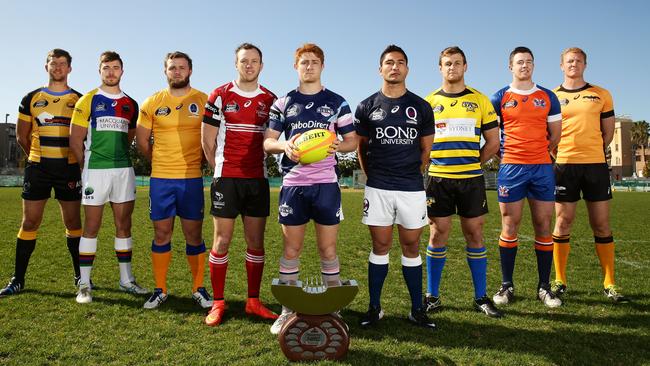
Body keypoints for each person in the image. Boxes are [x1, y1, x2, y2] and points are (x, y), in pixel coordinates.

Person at [263, 43, 357, 334]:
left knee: (328, 249)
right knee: (292, 248)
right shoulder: (283, 103)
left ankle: (333, 307)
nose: (309, 66)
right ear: (296, 67)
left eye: (314, 62)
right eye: (304, 62)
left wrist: (337, 145)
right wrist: (284, 145)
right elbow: (267, 142)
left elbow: (352, 140)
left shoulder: (338, 101)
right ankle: (287, 310)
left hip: (326, 185)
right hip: (293, 185)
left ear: (322, 66)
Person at [356, 45, 436, 329]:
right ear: (380, 69)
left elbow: (426, 150)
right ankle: (374, 308)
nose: (395, 67)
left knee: (412, 245)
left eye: (400, 62)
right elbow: (361, 149)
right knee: (380, 245)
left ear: (407, 69)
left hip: (411, 188)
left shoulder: (422, 107)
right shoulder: (367, 106)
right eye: (389, 62)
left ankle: (417, 309)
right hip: (378, 187)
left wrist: (413, 174)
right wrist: (372, 177)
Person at [201, 43, 278, 325]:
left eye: (254, 61)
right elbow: (207, 141)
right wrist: (220, 170)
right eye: (244, 61)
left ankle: (253, 302)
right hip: (227, 179)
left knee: (256, 242)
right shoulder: (220, 95)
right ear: (236, 64)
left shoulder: (271, 99)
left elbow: (273, 139)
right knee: (221, 241)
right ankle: (218, 303)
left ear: (261, 65)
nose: (249, 65)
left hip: (257, 180)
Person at [423, 46, 501, 317]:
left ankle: (481, 297)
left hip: (471, 180)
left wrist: (472, 164)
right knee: (437, 233)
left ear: (465, 66)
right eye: (447, 63)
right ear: (440, 68)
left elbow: (493, 142)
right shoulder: (429, 101)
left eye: (457, 63)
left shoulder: (480, 100)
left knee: (475, 234)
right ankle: (432, 296)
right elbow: (422, 144)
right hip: (438, 179)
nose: (452, 67)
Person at [1, 49, 83, 298]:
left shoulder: (79, 100)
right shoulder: (30, 98)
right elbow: (21, 136)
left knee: (73, 223)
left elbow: (83, 136)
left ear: (70, 68)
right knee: (30, 222)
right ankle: (18, 279)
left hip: (68, 168)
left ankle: (80, 277)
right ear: (46, 67)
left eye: (62, 64)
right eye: (53, 63)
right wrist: (37, 158)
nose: (57, 67)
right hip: (38, 167)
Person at [69, 51, 148, 304]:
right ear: (99, 71)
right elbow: (75, 140)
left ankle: (126, 280)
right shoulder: (88, 100)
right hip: (96, 171)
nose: (111, 72)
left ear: (122, 71)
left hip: (123, 170)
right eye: (106, 68)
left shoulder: (131, 104)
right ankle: (84, 286)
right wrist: (88, 166)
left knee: (124, 225)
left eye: (115, 67)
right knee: (91, 227)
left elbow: (130, 136)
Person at [551, 47, 628, 303]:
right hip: (564, 165)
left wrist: (592, 150)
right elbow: (547, 134)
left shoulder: (601, 94)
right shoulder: (551, 96)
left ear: (585, 65)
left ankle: (610, 283)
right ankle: (559, 280)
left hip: (595, 166)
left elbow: (608, 134)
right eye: (569, 61)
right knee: (563, 222)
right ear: (562, 65)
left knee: (602, 224)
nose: (574, 64)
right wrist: (559, 153)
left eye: (578, 61)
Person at [136, 51, 212, 310]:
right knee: (161, 234)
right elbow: (142, 142)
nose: (177, 71)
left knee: (194, 234)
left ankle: (198, 289)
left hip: (191, 180)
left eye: (181, 67)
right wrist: (159, 161)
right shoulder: (152, 102)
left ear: (190, 70)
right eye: (172, 68)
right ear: (165, 71)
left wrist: (200, 161)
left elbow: (211, 140)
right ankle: (160, 289)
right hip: (161, 180)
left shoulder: (204, 100)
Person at [490, 46, 563, 308]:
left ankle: (544, 287)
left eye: (529, 62)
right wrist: (506, 154)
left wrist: (540, 152)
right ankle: (507, 285)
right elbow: (491, 136)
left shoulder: (548, 96)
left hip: (542, 168)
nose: (525, 65)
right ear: (511, 66)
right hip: (511, 168)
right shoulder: (499, 97)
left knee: (543, 224)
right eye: (520, 62)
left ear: (534, 66)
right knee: (510, 224)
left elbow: (556, 134)